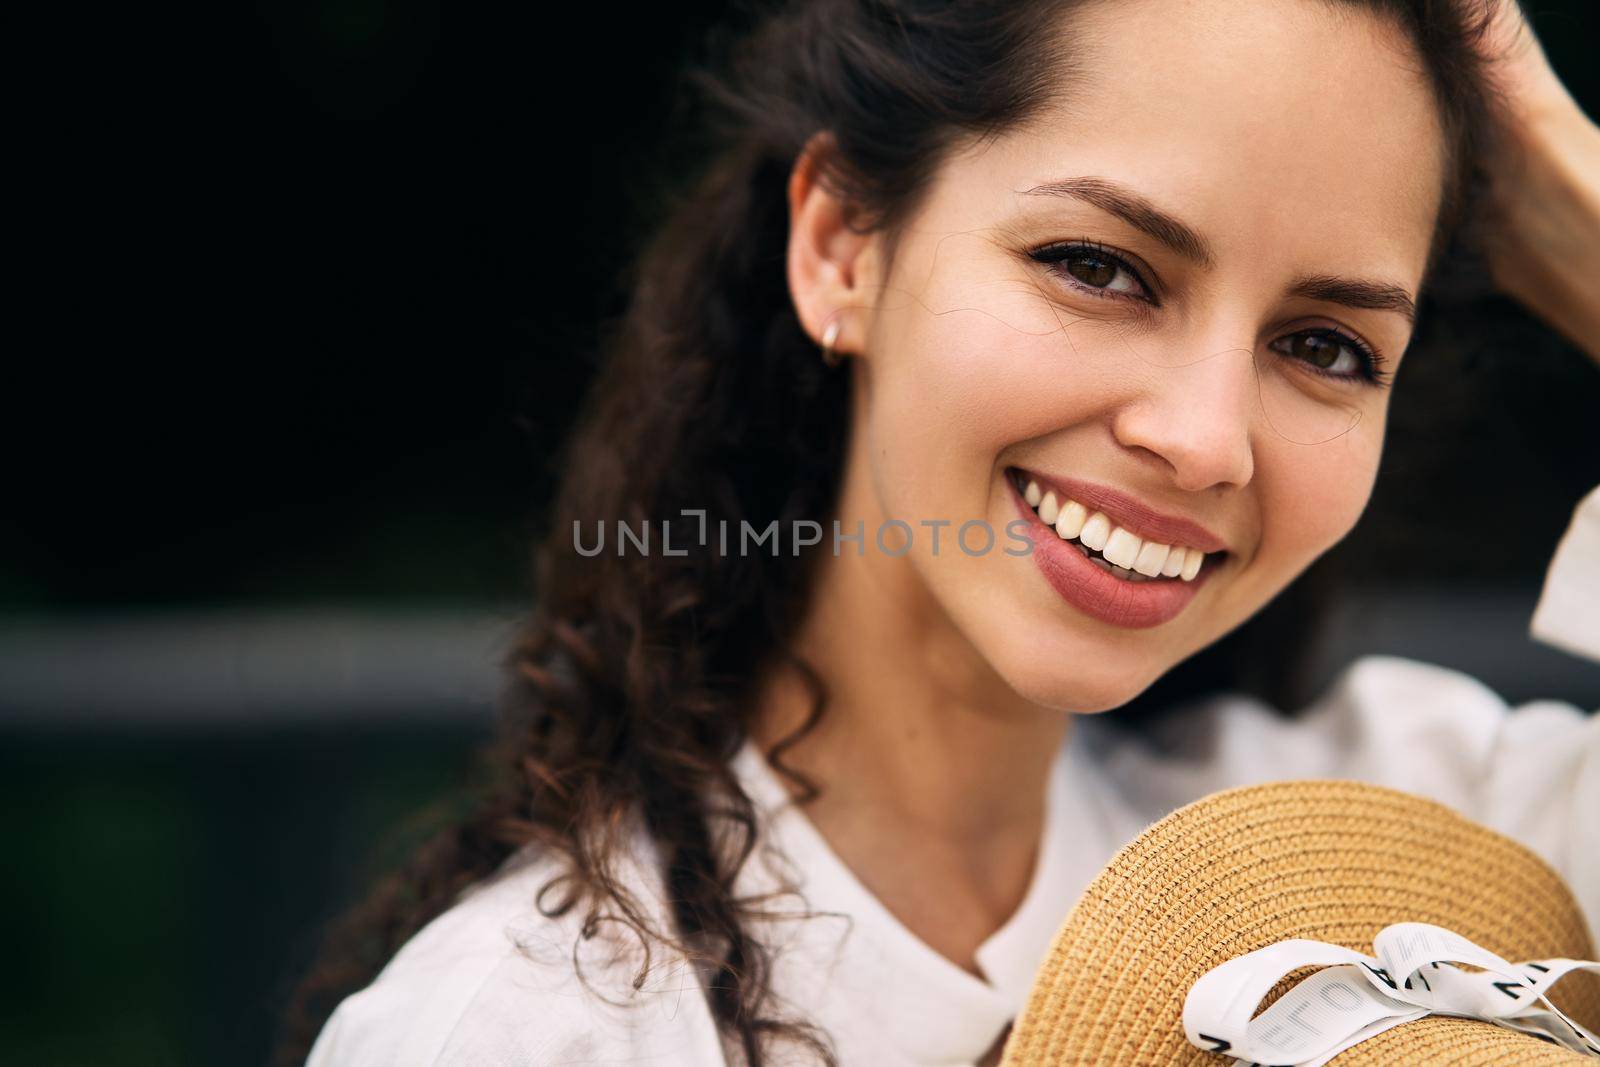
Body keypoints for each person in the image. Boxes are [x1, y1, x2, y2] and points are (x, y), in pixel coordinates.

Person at [286, 1, 1600, 1064]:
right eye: (1099, 267)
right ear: (844, 245)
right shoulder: (525, 1033)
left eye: (1324, 346)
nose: (1206, 439)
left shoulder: (1403, 868)